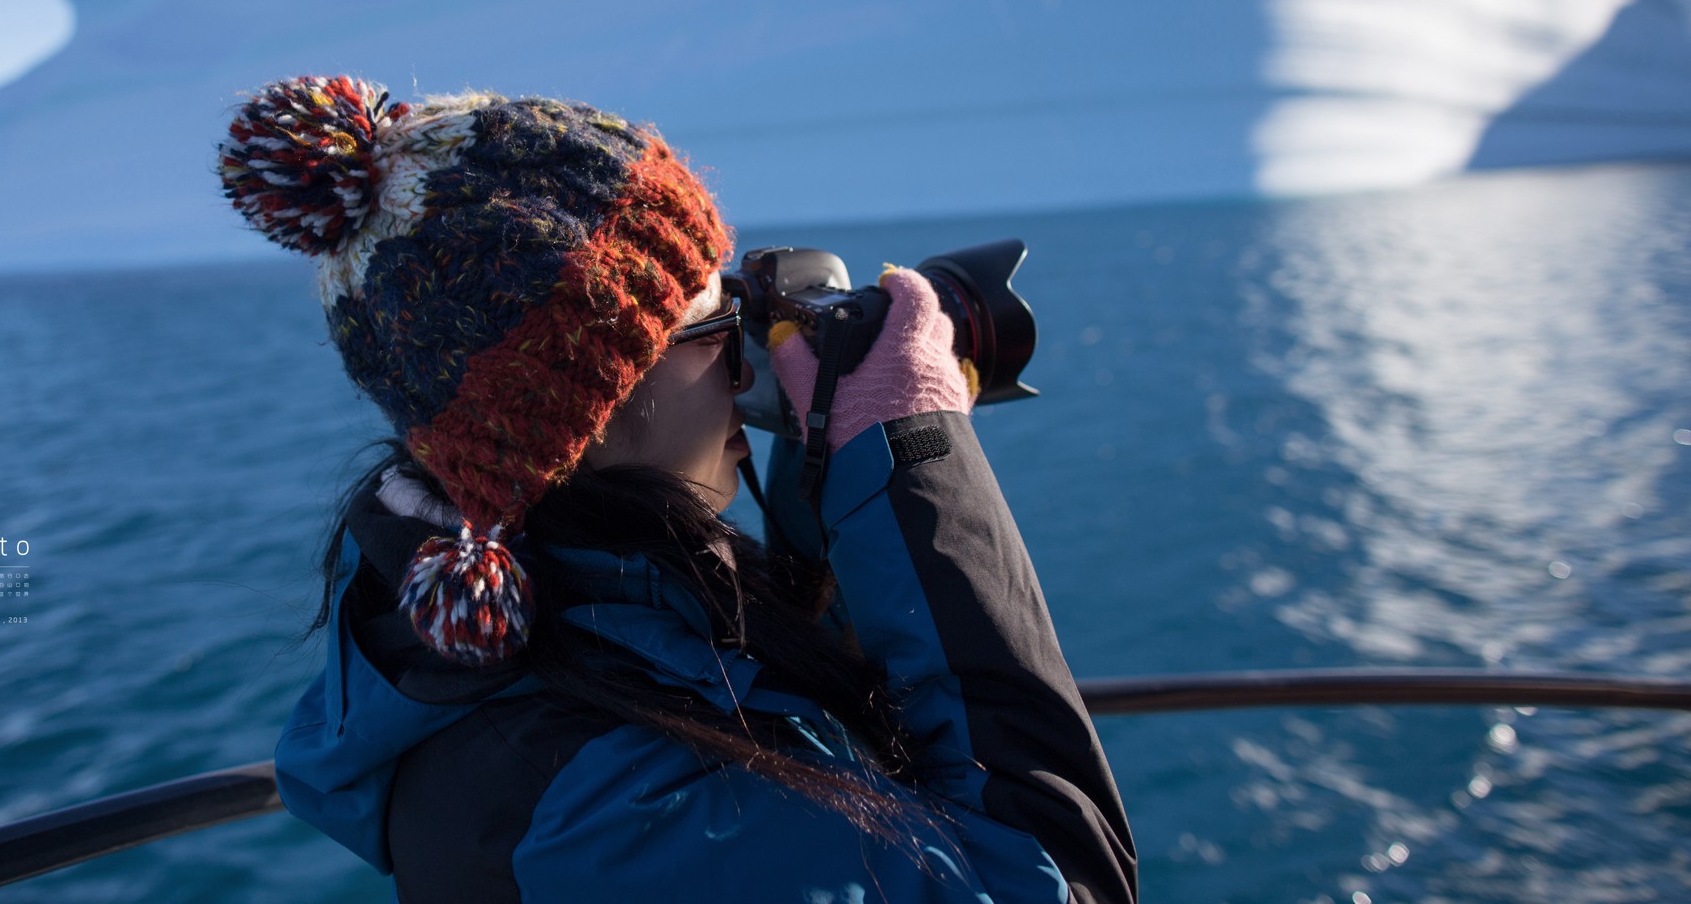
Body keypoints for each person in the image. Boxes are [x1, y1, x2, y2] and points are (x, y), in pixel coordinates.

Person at [220, 75, 1136, 904]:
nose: (750, 361)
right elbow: (1064, 879)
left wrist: (835, 468)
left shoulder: (601, 618)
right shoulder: (596, 804)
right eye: (714, 322)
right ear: (586, 399)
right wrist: (912, 450)